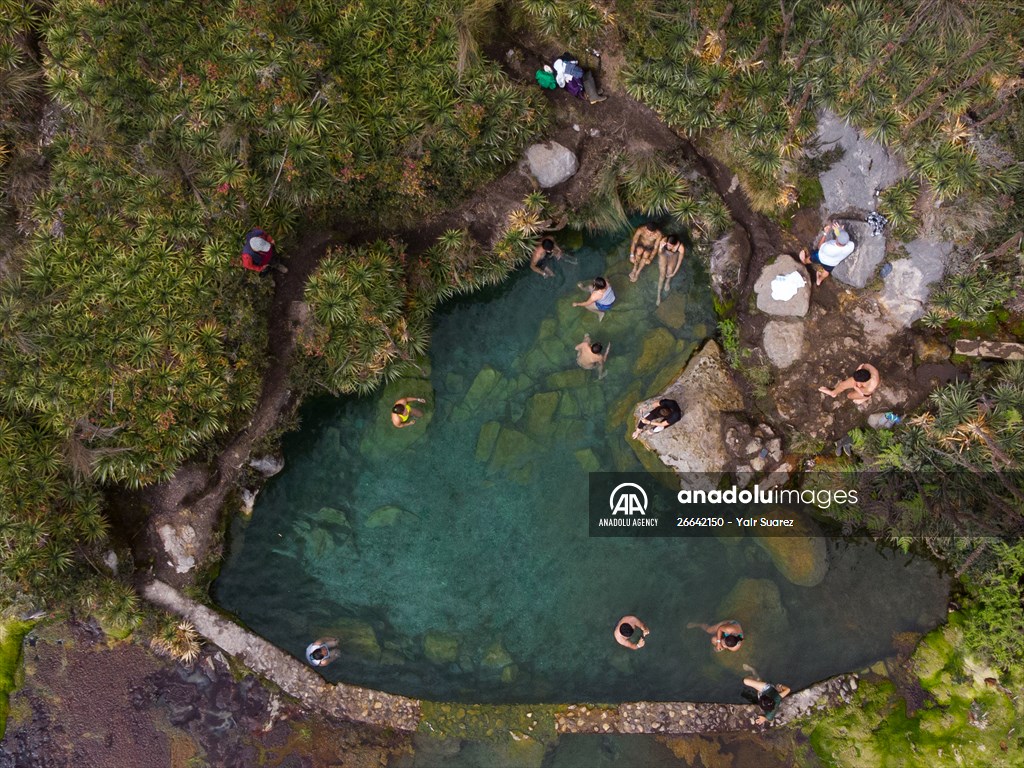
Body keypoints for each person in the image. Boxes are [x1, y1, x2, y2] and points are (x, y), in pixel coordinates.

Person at [797, 221, 854, 286]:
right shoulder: (851, 246)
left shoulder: (829, 247)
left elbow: (819, 247)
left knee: (812, 257)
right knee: (826, 271)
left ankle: (804, 261)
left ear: (837, 240)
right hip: (832, 263)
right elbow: (841, 241)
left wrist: (825, 233)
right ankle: (819, 280)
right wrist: (839, 232)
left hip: (821, 257)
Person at [656, 234, 685, 305]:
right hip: (664, 254)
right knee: (662, 274)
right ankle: (658, 295)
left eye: (670, 246)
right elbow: (659, 254)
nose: (668, 247)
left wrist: (674, 273)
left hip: (673, 255)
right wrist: (660, 247)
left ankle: (667, 282)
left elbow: (679, 261)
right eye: (668, 245)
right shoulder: (663, 241)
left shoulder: (681, 247)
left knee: (670, 270)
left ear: (675, 245)